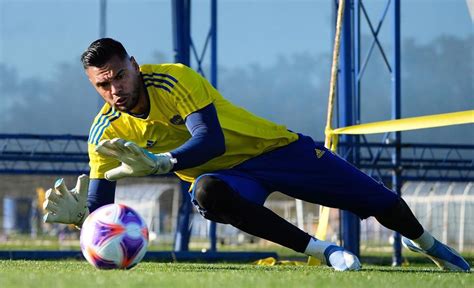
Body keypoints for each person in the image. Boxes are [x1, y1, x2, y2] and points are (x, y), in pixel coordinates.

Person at [42, 38, 470, 272]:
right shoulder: (104, 131)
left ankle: (428, 245)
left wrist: (163, 164)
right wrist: (84, 221)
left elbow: (211, 141)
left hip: (275, 150)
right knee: (208, 193)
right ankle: (324, 251)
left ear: (134, 65)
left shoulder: (173, 79)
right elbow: (102, 213)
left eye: (119, 75)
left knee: (380, 202)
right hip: (229, 179)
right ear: (94, 86)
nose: (115, 88)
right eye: (103, 84)